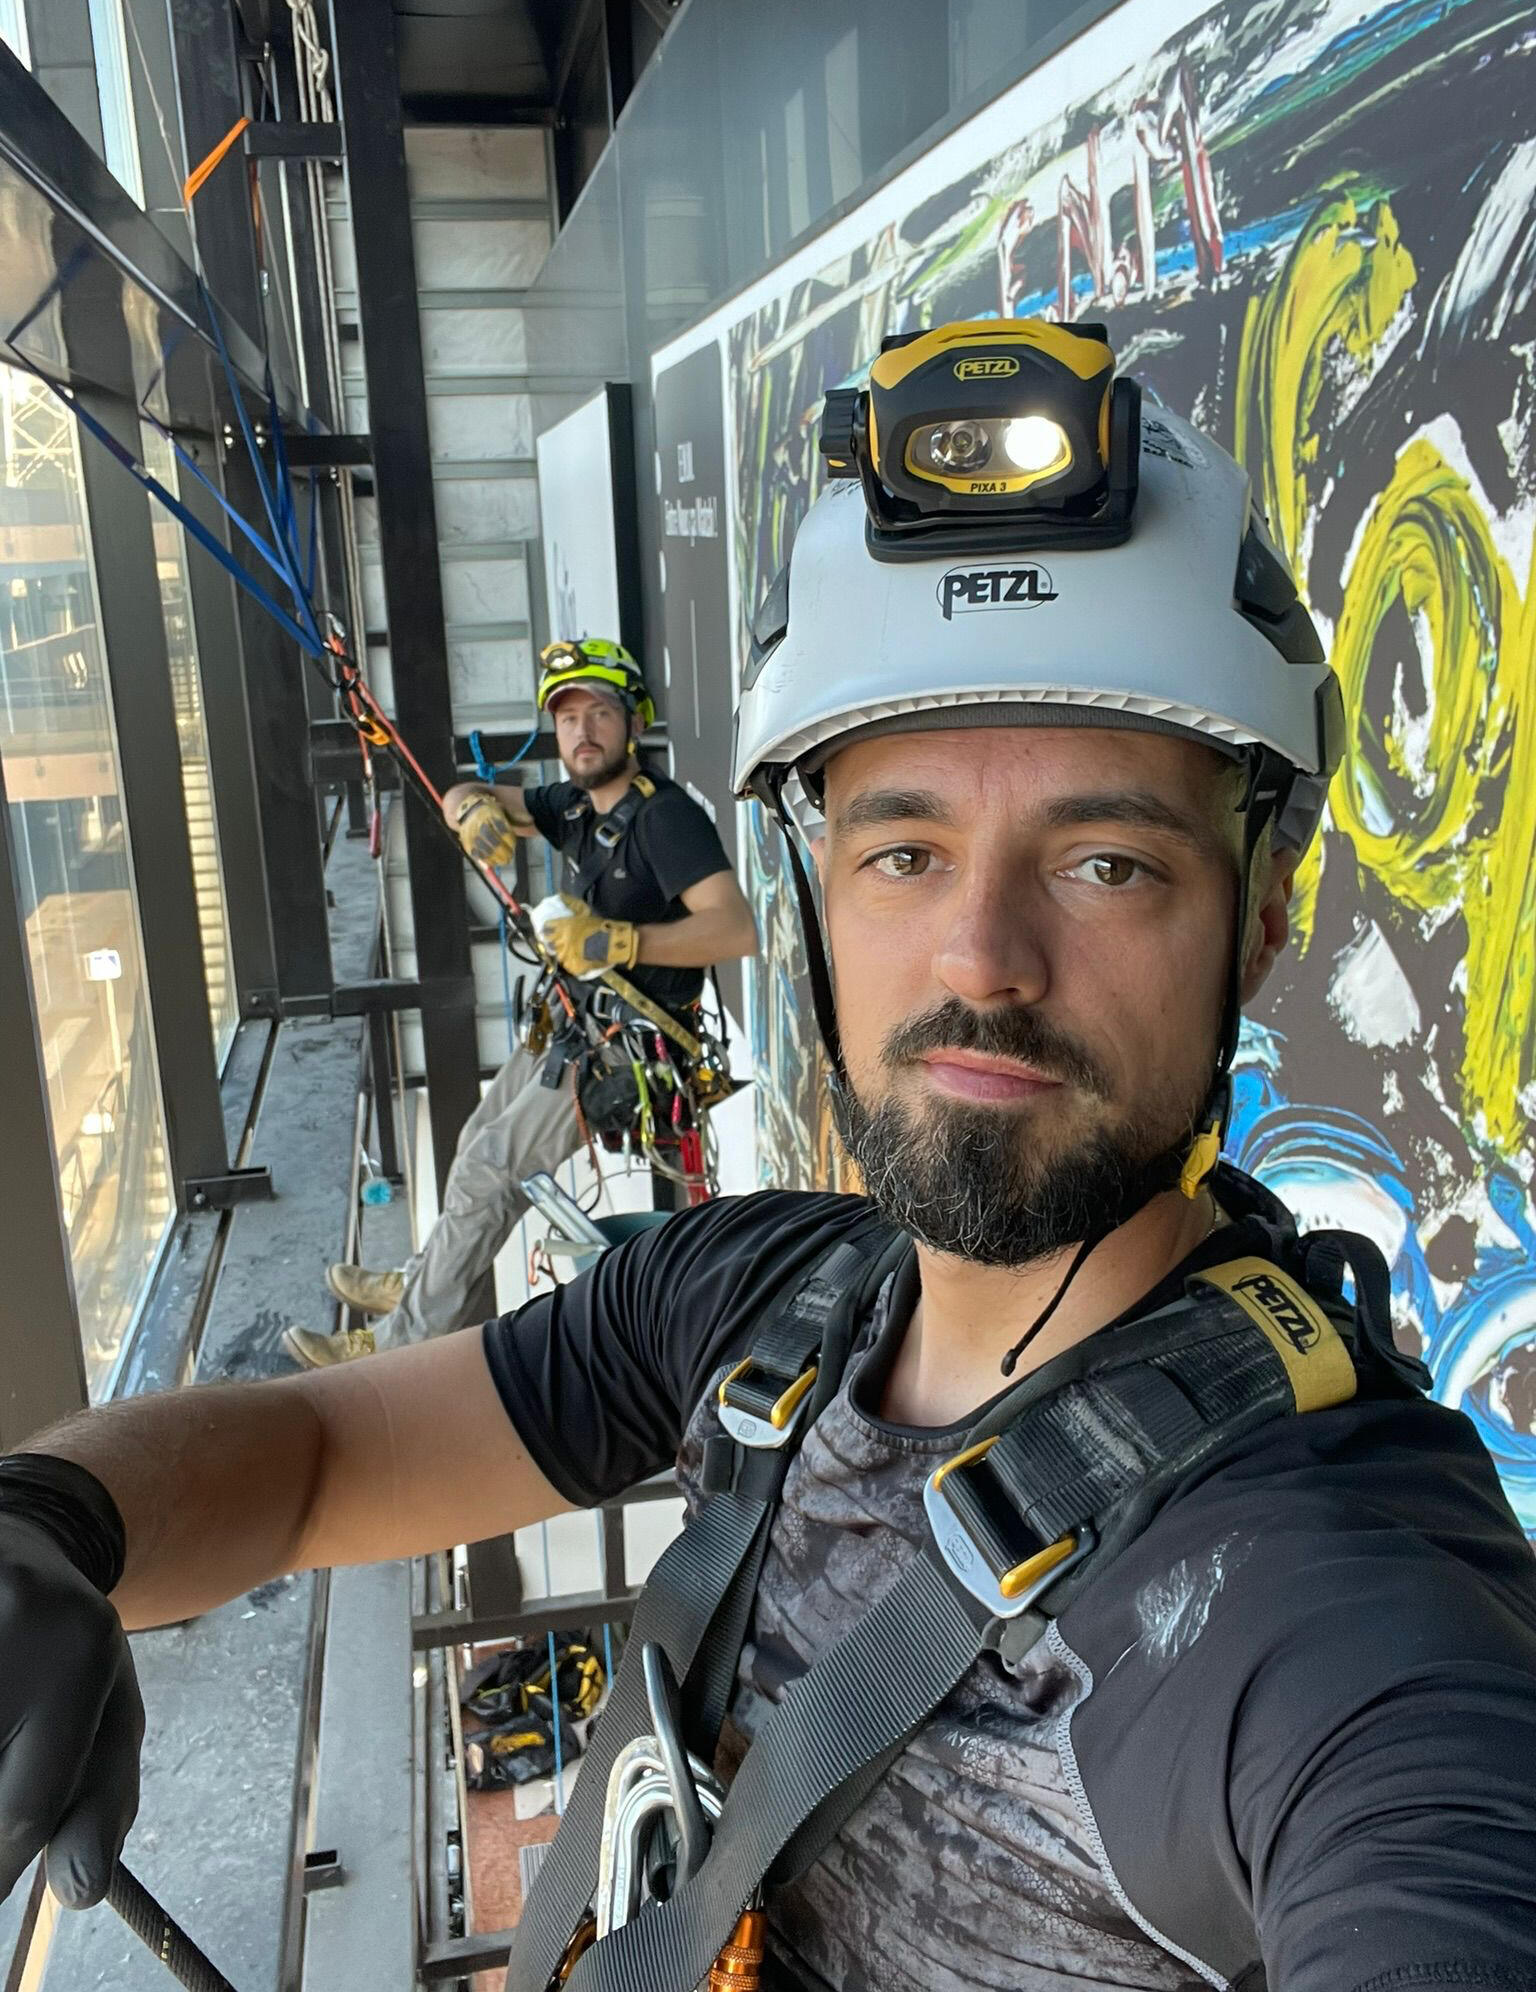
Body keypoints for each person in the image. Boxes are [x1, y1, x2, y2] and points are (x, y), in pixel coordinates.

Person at [3, 322, 1535, 1992]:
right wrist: (54, 1520)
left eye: (1105, 861)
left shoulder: (1339, 1607)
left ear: (1260, 921)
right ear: (823, 895)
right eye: (904, 850)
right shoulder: (757, 1300)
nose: (980, 959)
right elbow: (313, 1454)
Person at [283, 637, 756, 1367]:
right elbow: (459, 792)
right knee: (477, 1140)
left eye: (599, 714)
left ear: (634, 721)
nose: (582, 732)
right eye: (567, 719)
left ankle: (396, 1345)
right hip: (576, 1025)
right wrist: (473, 809)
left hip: (629, 1047)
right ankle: (425, 1285)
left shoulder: (665, 820)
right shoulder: (575, 803)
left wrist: (621, 942)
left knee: (491, 1169)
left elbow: (735, 928)